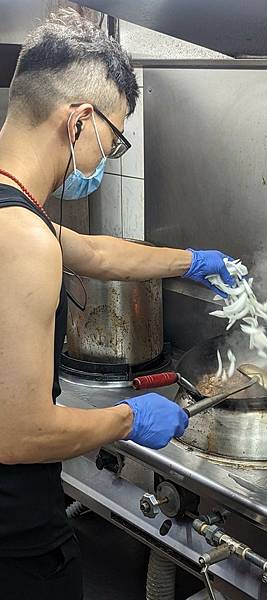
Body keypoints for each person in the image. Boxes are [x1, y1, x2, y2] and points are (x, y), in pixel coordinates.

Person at [0, 9, 235, 599]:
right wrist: (130, 420)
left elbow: (96, 255)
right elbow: (19, 434)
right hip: (13, 536)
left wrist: (193, 261)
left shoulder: (15, 212)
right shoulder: (21, 238)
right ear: (79, 121)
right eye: (115, 135)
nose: (112, 154)